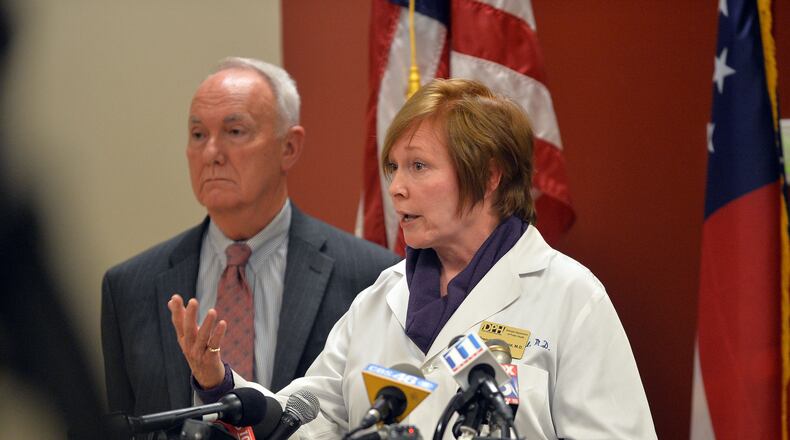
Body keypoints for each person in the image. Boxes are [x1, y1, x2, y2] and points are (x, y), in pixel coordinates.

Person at [169, 78, 657, 439]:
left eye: (419, 166)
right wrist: (220, 384)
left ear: (490, 176)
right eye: (393, 168)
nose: (396, 188)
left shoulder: (570, 297)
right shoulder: (380, 298)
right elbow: (305, 418)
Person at [101, 57, 401, 417]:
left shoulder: (369, 276)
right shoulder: (130, 288)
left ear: (289, 147)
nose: (211, 153)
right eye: (198, 135)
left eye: (234, 131)